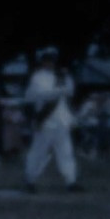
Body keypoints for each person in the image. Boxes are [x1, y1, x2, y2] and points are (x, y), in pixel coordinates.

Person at [23, 47, 81, 193]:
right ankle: (30, 181)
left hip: (61, 120)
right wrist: (58, 91)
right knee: (38, 152)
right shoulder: (37, 77)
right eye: (46, 59)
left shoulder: (63, 76)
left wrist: (63, 87)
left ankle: (71, 181)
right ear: (42, 61)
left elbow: (70, 92)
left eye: (52, 59)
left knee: (66, 152)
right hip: (46, 120)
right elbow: (36, 96)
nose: (49, 62)